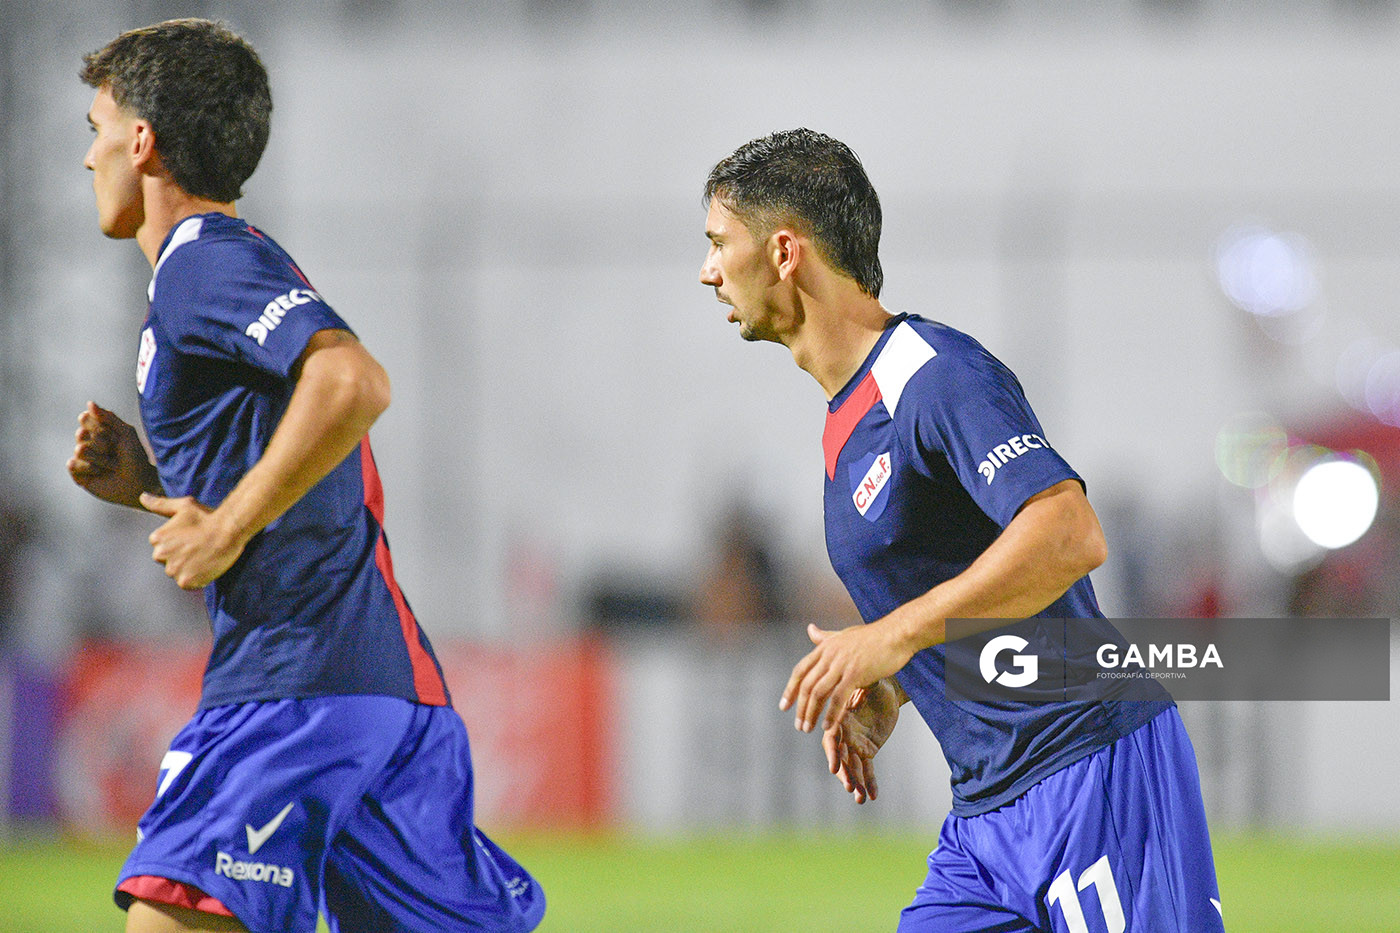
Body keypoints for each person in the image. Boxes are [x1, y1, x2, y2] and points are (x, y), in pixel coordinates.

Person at [69, 19, 544, 933]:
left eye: (97, 129)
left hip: (293, 690)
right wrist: (152, 485)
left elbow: (353, 381)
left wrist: (228, 523)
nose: (89, 158)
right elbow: (296, 460)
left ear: (142, 141)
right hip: (388, 693)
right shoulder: (236, 263)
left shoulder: (199, 264)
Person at [699, 128, 1224, 932]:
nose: (707, 272)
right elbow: (969, 573)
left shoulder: (935, 374)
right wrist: (901, 679)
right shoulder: (847, 425)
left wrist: (895, 635)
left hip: (1091, 767)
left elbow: (1069, 534)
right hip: (986, 821)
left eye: (717, 244)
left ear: (783, 251)